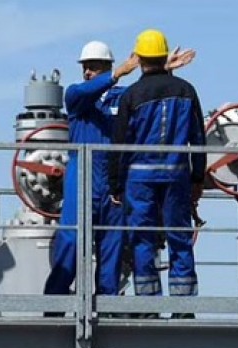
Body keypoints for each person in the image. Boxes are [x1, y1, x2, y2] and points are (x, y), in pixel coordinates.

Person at [44, 40, 196, 301]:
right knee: (70, 239)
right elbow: (83, 94)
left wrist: (162, 72)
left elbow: (146, 94)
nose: (88, 72)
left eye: (94, 67)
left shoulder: (124, 97)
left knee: (112, 245)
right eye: (86, 67)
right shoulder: (76, 96)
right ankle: (55, 302)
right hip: (82, 179)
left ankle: (107, 302)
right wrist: (117, 74)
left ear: (106, 66)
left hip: (114, 180)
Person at [108, 29, 206, 318]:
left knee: (142, 240)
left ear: (138, 59)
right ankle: (184, 307)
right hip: (176, 175)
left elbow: (120, 144)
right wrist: (197, 178)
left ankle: (149, 306)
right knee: (179, 237)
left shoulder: (131, 95)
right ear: (164, 56)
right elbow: (198, 138)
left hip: (139, 178)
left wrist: (115, 185)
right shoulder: (186, 91)